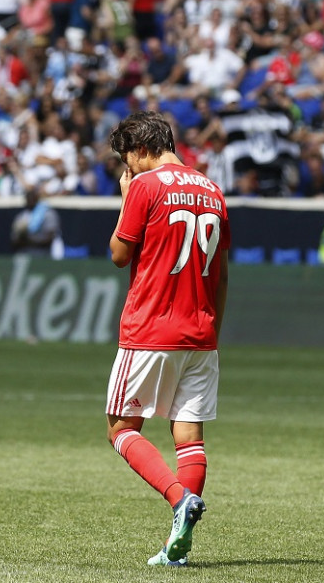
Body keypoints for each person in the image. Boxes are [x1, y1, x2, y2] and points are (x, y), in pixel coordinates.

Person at [105, 111, 231, 567]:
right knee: (189, 435)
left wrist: (125, 198)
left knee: (121, 430)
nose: (128, 170)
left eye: (128, 160)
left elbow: (120, 256)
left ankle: (179, 500)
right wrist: (213, 327)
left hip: (150, 328)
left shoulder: (145, 185)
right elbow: (222, 274)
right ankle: (180, 544)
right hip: (201, 332)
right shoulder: (213, 191)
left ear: (142, 149)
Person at [10, 189, 60, 256]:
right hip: (24, 254)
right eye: (28, 198)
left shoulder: (47, 214)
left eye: (32, 198)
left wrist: (30, 241)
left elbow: (50, 238)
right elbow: (14, 240)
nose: (30, 201)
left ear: (37, 199)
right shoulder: (22, 216)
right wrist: (21, 235)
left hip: (43, 254)